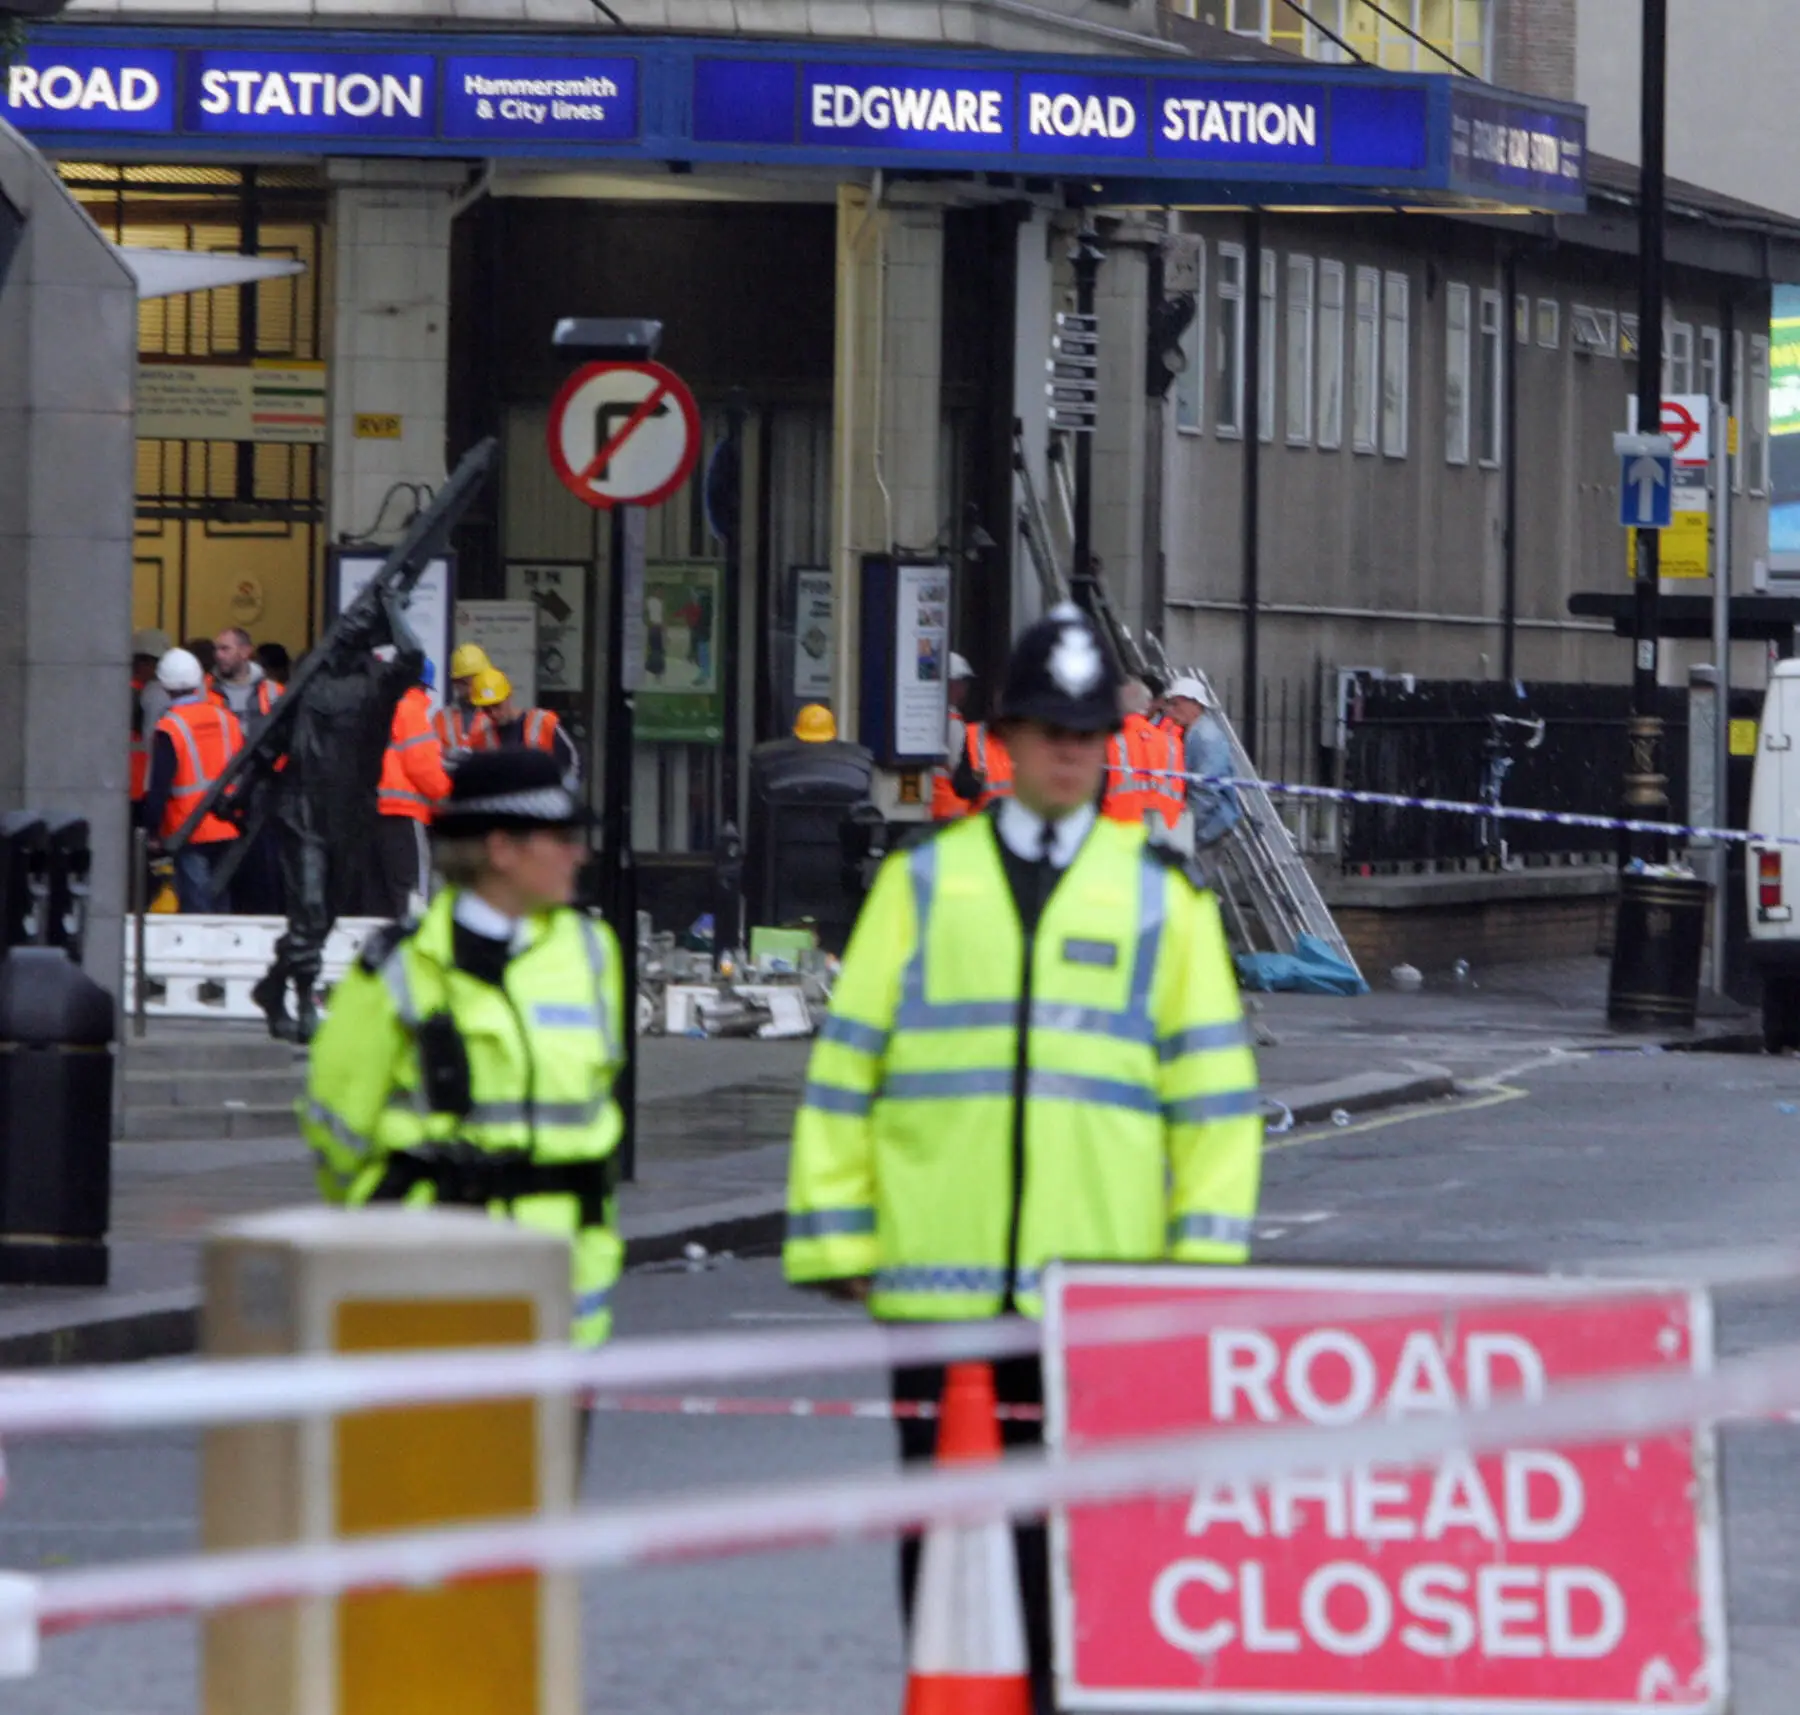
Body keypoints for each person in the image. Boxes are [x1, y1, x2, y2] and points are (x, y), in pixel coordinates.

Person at [783, 603, 1262, 1714]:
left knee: (1072, 1552)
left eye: (1087, 733)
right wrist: (840, 1235)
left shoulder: (1161, 903)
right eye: (1048, 729)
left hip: (1088, 1289)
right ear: (1003, 739)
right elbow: (849, 1067)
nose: (1068, 752)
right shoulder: (921, 885)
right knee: (939, 1543)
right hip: (935, 1280)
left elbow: (1214, 1105)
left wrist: (1195, 1269)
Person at [300, 748, 628, 1363]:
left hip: (565, 1297)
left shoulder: (593, 953)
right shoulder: (400, 964)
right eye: (561, 838)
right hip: (432, 1282)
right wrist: (385, 1218)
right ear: (501, 849)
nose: (579, 854)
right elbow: (335, 1122)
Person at [139, 647, 244, 914]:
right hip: (229, 824)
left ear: (165, 686)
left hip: (189, 828)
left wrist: (152, 830)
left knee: (197, 907)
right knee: (222, 904)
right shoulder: (226, 719)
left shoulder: (170, 728)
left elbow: (159, 786)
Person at [375, 665, 452, 920]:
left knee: (382, 896)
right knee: (412, 894)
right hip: (404, 815)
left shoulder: (377, 707)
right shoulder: (411, 710)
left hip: (372, 812)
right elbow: (422, 767)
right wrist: (447, 797)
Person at [1165, 675, 1241, 866]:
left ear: (1195, 704)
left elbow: (1206, 789)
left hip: (1210, 825)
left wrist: (1186, 824)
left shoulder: (1206, 737)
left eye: (1177, 704)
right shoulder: (1194, 733)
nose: (1171, 710)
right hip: (1207, 823)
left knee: (1193, 878)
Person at [468, 668, 580, 789]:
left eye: (497, 706)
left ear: (508, 697)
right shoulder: (481, 736)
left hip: (543, 796)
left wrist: (564, 792)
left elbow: (573, 761)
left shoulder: (544, 722)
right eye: (486, 709)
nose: (493, 713)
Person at [1104, 678, 1184, 833]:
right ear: (1147, 706)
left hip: (1119, 829)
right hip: (1166, 831)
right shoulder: (1173, 743)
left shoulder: (1110, 741)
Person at [928, 652, 977, 821]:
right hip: (951, 806)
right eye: (961, 683)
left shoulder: (926, 715)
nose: (964, 689)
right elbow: (958, 764)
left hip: (933, 806)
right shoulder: (952, 720)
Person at [208, 627, 279, 730]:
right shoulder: (204, 688)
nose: (218, 655)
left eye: (225, 649)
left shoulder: (274, 692)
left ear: (245, 652)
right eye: (216, 649)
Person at [435, 642, 496, 760]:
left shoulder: (496, 714)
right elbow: (432, 756)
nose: (470, 688)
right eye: (464, 682)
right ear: (455, 683)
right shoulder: (441, 718)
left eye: (474, 681)